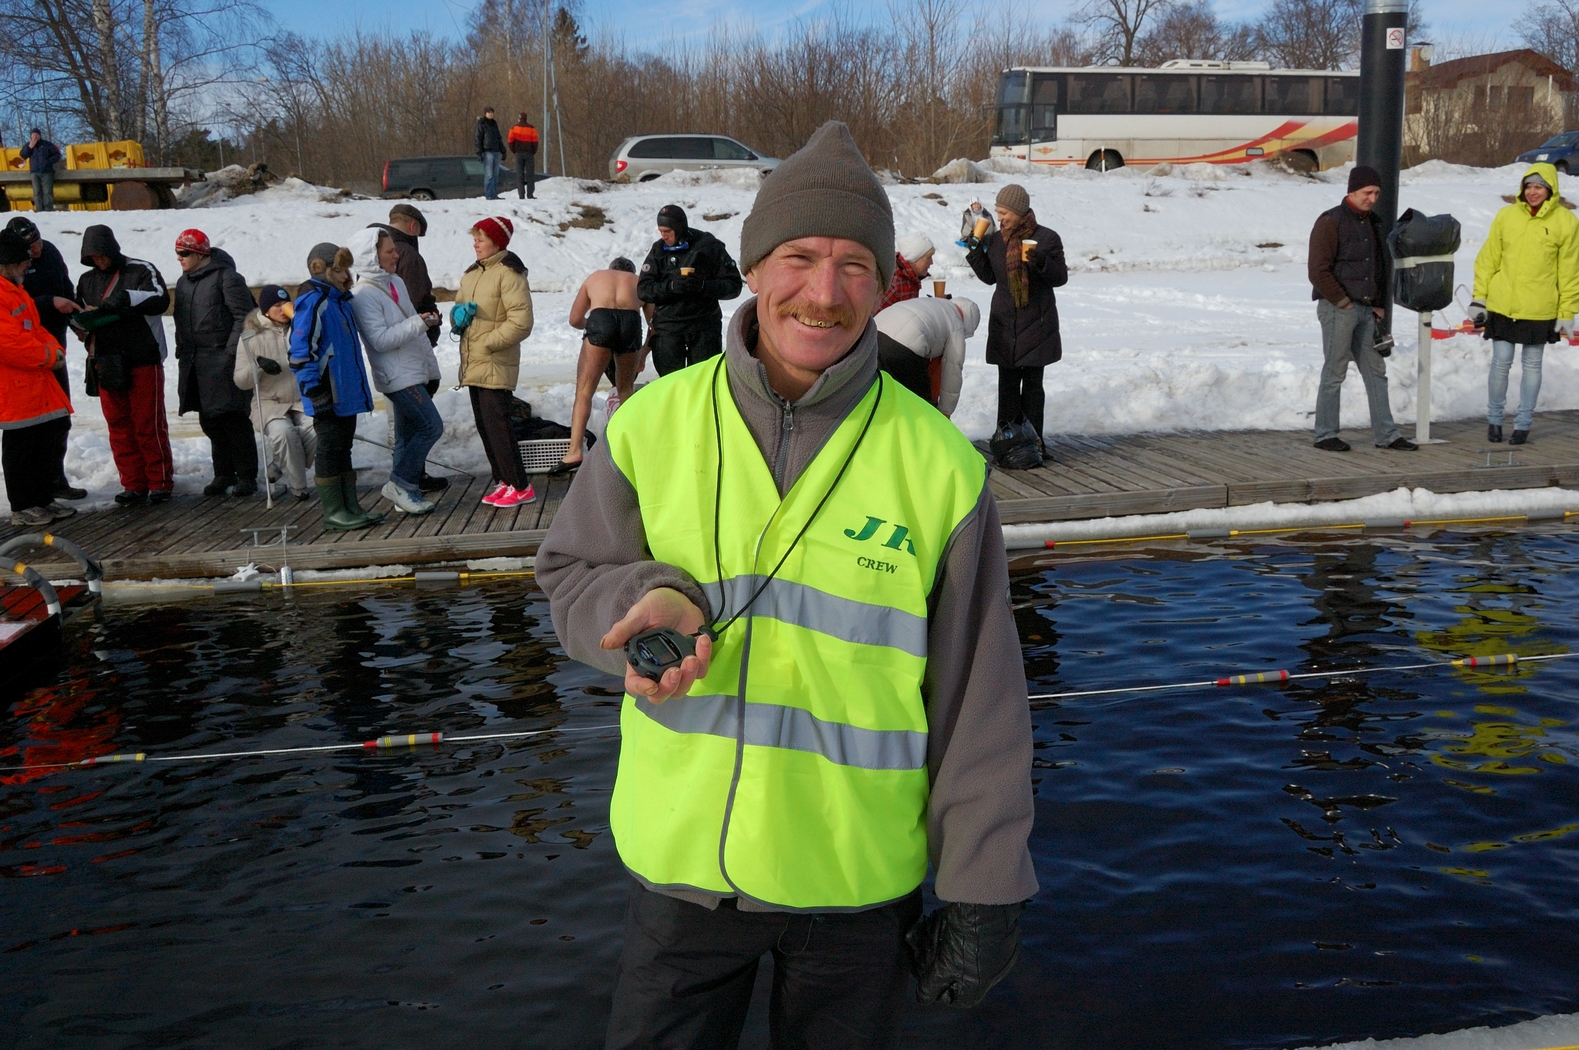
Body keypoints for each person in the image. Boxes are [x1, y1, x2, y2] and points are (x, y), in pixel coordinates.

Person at [538, 121, 1035, 1049]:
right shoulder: (651, 423)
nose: (824, 291)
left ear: (884, 285)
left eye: (854, 266)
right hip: (682, 870)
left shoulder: (940, 467)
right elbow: (571, 573)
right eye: (799, 258)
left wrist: (984, 887)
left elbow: (981, 698)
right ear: (755, 269)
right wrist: (639, 602)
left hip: (854, 884)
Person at [1468, 162, 1579, 446]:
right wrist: (1479, 298)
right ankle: (1494, 420)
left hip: (1539, 307)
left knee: (1532, 365)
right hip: (1503, 304)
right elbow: (1488, 259)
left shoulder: (1566, 222)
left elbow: (1570, 272)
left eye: (1539, 186)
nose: (1533, 192)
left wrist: (1567, 311)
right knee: (1500, 362)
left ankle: (1523, 424)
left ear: (1550, 190)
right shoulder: (1506, 216)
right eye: (1529, 186)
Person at [1308, 165, 1416, 453]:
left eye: (1377, 193)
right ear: (1352, 191)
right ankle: (1325, 434)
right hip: (1338, 308)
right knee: (1335, 371)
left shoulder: (1373, 222)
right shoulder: (1330, 221)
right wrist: (1342, 301)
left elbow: (1378, 267)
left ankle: (1387, 435)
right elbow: (1318, 271)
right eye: (1368, 192)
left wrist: (1378, 303)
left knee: (1376, 371)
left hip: (1366, 310)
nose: (1373, 198)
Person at [966, 183, 1068, 467]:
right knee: (1007, 386)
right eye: (998, 212)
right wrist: (975, 251)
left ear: (1020, 211)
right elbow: (990, 277)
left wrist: (1039, 260)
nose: (1000, 218)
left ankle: (1034, 444)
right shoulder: (996, 240)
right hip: (1005, 323)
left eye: (1004, 213)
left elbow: (1060, 277)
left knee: (1033, 388)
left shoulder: (1047, 238)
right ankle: (1006, 443)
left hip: (1036, 322)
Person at [74, 225, 175, 505]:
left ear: (111, 249)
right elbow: (78, 314)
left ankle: (160, 482)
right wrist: (81, 322)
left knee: (148, 424)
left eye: (101, 255)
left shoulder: (141, 270)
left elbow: (160, 299)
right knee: (118, 426)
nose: (98, 261)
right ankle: (133, 483)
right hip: (106, 361)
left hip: (143, 357)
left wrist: (125, 298)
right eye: (92, 257)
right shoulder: (86, 280)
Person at [348, 227, 444, 516]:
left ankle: (406, 493)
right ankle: (399, 484)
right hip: (395, 376)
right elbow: (379, 340)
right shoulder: (362, 295)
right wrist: (419, 323)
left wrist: (429, 365)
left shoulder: (396, 281)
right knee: (431, 427)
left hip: (413, 369)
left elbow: (410, 322)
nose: (396, 255)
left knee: (406, 435)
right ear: (372, 256)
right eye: (389, 251)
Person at [291, 242, 383, 530]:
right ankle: (333, 511)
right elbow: (300, 350)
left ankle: (349, 505)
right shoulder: (314, 301)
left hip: (344, 391)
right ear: (322, 270)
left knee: (343, 448)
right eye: (340, 270)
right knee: (330, 449)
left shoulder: (339, 301)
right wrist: (314, 390)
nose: (346, 276)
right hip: (326, 391)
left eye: (347, 270)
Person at [173, 229, 260, 498]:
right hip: (195, 362)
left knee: (233, 418)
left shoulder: (228, 278)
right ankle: (223, 473)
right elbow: (180, 319)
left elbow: (246, 317)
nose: (179, 258)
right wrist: (181, 348)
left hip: (222, 360)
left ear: (200, 253)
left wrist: (229, 353)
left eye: (184, 253)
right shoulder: (184, 282)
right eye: (177, 253)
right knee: (210, 420)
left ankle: (246, 475)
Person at [456, 216, 535, 508]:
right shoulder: (472, 273)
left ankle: (521, 486)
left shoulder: (509, 273)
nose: (475, 244)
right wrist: (457, 317)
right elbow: (459, 305)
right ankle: (503, 479)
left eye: (481, 239)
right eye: (474, 239)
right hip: (473, 361)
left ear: (496, 242)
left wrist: (487, 342)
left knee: (499, 427)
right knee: (485, 426)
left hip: (494, 361)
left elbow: (521, 322)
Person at [8, 216, 85, 501]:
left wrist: (77, 321)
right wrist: (49, 302)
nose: (37, 249)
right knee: (30, 427)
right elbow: (17, 308)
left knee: (59, 417)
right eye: (30, 247)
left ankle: (55, 480)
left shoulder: (50, 252)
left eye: (38, 241)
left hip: (54, 347)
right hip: (26, 355)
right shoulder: (9, 269)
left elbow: (65, 288)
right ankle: (34, 491)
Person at [0, 229, 73, 526]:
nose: (27, 267)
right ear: (7, 264)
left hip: (36, 383)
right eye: (22, 262)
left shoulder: (16, 291)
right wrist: (48, 356)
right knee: (20, 446)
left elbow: (36, 328)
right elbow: (9, 343)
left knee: (44, 440)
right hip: (14, 388)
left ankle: (42, 498)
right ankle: (22, 506)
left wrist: (54, 350)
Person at [559, 257, 651, 474]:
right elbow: (654, 324)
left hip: (601, 319)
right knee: (625, 390)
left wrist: (594, 326)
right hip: (631, 323)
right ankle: (631, 447)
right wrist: (643, 352)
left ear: (611, 269)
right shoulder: (639, 281)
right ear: (631, 271)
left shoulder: (596, 277)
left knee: (584, 391)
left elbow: (574, 319)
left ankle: (574, 451)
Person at [636, 204, 743, 375]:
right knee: (670, 382)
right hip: (668, 327)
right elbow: (643, 290)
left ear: (679, 228)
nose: (663, 236)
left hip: (703, 326)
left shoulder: (707, 246)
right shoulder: (659, 250)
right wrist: (670, 287)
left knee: (704, 379)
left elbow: (734, 286)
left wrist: (703, 286)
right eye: (660, 231)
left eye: (667, 231)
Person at [237, 285, 316, 500]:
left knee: (318, 427)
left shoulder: (300, 329)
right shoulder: (250, 337)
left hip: (301, 399)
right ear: (265, 310)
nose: (283, 309)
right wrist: (258, 366)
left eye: (285, 304)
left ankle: (281, 463)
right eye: (276, 306)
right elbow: (241, 381)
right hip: (269, 402)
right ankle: (299, 488)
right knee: (284, 433)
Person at [875, 294, 980, 418]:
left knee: (879, 394)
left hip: (875, 332)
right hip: (904, 345)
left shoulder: (936, 304)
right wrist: (945, 412)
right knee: (920, 406)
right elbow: (953, 370)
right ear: (969, 324)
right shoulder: (957, 324)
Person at [877, 234, 934, 311]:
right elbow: (877, 316)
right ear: (915, 259)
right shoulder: (894, 282)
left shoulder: (910, 276)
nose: (931, 262)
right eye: (929, 257)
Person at [18, 130, 62, 213]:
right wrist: (30, 147)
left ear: (40, 136)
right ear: (31, 136)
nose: (35, 136)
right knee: (37, 192)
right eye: (33, 135)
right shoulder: (28, 145)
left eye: (36, 135)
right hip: (34, 172)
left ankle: (48, 210)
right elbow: (23, 155)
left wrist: (48, 161)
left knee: (47, 192)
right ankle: (39, 210)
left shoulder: (47, 144)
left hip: (47, 172)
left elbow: (57, 155)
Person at [475, 106, 505, 201]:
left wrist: (503, 150)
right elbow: (478, 138)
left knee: (495, 174)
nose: (491, 114)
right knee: (489, 174)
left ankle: (494, 194)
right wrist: (479, 153)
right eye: (489, 112)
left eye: (492, 112)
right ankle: (489, 194)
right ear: (485, 113)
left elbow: (498, 138)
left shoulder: (494, 123)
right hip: (487, 151)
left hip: (496, 151)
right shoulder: (481, 123)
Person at [508, 113, 539, 200]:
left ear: (519, 119)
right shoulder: (531, 128)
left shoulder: (514, 128)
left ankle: (521, 195)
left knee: (519, 175)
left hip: (519, 154)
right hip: (529, 154)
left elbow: (510, 141)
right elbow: (535, 142)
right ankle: (530, 194)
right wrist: (533, 151)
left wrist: (514, 150)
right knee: (530, 174)